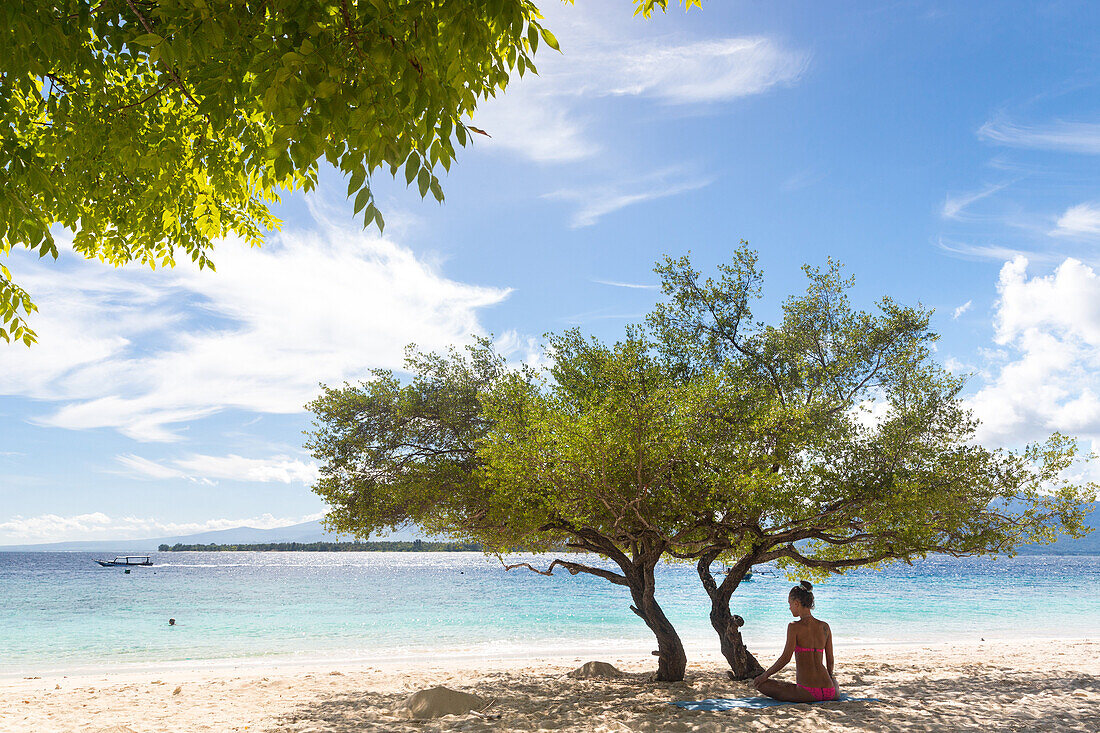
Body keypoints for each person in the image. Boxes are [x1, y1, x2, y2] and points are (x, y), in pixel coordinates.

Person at [753, 581, 838, 702]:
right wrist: (830, 676)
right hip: (830, 691)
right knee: (834, 681)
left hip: (807, 692)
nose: (789, 607)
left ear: (797, 603)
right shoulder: (825, 626)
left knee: (760, 684)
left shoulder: (794, 627)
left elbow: (786, 658)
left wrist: (765, 675)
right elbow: (830, 659)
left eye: (790, 603)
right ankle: (832, 682)